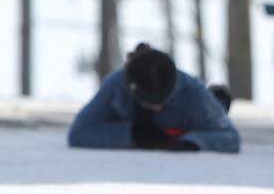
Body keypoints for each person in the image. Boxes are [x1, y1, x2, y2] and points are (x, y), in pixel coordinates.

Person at [67, 43, 240, 153]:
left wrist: (192, 143)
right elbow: (79, 133)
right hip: (135, 123)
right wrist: (132, 134)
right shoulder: (115, 85)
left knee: (214, 110)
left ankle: (218, 101)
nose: (157, 108)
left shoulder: (192, 91)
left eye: (163, 102)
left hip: (189, 123)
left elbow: (229, 137)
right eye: (150, 103)